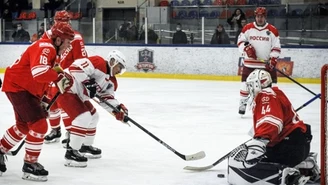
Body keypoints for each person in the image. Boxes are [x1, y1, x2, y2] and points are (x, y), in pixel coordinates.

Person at [0, 22, 75, 181]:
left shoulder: (53, 51)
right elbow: (40, 73)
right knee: (39, 124)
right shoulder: (45, 47)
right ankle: (30, 164)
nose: (69, 46)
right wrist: (60, 77)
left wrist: (45, 99)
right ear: (59, 40)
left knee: (23, 126)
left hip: (25, 88)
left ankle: (1, 150)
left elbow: (45, 79)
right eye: (68, 42)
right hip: (18, 86)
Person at [227, 69, 320, 185]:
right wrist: (258, 134)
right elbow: (275, 119)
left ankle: (290, 177)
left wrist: (262, 138)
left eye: (251, 85)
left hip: (288, 148)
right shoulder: (275, 93)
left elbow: (271, 121)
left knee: (256, 162)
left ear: (258, 83)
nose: (250, 89)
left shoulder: (265, 95)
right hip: (299, 146)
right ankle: (306, 164)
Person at [55, 50, 129, 167]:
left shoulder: (112, 81)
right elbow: (75, 67)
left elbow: (107, 99)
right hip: (66, 89)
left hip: (78, 96)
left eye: (121, 69)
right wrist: (87, 82)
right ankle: (71, 153)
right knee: (83, 117)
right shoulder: (98, 62)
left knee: (94, 117)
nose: (119, 71)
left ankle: (85, 146)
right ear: (112, 61)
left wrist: (117, 110)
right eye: (119, 67)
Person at [42, 10, 88, 147]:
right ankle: (55, 130)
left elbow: (82, 59)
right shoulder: (48, 34)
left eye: (64, 21)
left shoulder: (76, 37)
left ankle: (70, 133)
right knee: (50, 104)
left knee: (64, 105)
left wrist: (76, 74)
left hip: (66, 75)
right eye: (59, 21)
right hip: (52, 73)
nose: (62, 23)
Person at [237, 7, 281, 115]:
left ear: (265, 17)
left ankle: (270, 106)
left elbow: (276, 47)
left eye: (261, 16)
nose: (259, 18)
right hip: (249, 64)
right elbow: (240, 42)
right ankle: (243, 103)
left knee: (271, 86)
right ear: (255, 17)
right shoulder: (248, 28)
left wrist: (273, 59)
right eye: (258, 16)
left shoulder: (272, 30)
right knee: (245, 84)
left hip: (265, 65)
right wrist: (246, 49)